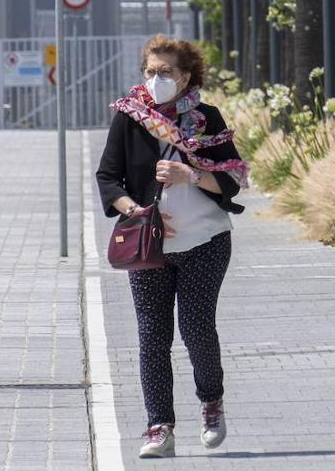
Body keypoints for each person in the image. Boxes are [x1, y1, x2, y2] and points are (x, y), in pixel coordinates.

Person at [96, 35, 249, 459]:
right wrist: (138, 211)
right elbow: (108, 179)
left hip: (206, 240)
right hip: (149, 245)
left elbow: (232, 179)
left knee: (197, 328)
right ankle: (158, 426)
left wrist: (191, 175)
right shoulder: (129, 118)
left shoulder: (207, 118)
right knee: (152, 336)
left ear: (186, 77)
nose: (156, 79)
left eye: (166, 72)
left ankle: (211, 401)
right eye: (150, 71)